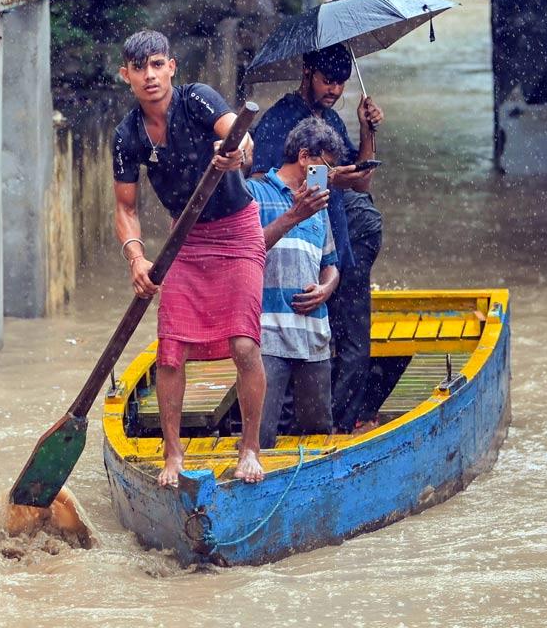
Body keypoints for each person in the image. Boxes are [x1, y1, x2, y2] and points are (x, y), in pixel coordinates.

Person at [112, 29, 266, 487]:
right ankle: (173, 454)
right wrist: (136, 259)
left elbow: (241, 140)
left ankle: (250, 448)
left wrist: (232, 152)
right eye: (139, 69)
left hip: (238, 232)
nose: (150, 76)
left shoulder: (197, 100)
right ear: (127, 77)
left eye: (157, 65)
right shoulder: (127, 135)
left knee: (243, 344)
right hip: (185, 241)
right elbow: (126, 208)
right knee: (171, 352)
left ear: (172, 67)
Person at [249, 43, 385, 434]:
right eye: (329, 81)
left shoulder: (331, 121)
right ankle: (287, 434)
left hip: (332, 243)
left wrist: (366, 129)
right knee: (291, 346)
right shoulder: (278, 120)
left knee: (351, 343)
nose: (336, 90)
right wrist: (328, 177)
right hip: (294, 247)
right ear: (307, 72)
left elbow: (362, 179)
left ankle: (339, 427)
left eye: (342, 83)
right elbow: (267, 182)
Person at [246, 117, 345, 448]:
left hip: (313, 337)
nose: (329, 176)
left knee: (317, 434)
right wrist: (294, 215)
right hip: (267, 335)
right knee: (260, 435)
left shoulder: (319, 205)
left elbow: (330, 265)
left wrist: (326, 288)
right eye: (325, 166)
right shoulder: (254, 193)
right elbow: (246, 250)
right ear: (304, 157)